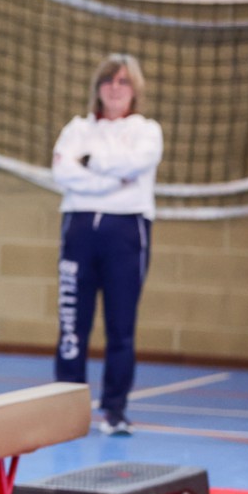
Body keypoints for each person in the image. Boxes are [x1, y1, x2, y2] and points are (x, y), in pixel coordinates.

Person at [51, 54, 163, 436]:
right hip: (79, 230)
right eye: (108, 81)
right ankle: (66, 413)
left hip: (127, 232)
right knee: (72, 325)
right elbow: (63, 170)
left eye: (123, 81)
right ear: (97, 87)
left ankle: (115, 411)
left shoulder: (147, 131)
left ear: (135, 90)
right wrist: (112, 179)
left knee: (121, 326)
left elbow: (137, 164)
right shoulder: (76, 129)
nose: (115, 88)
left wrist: (90, 163)